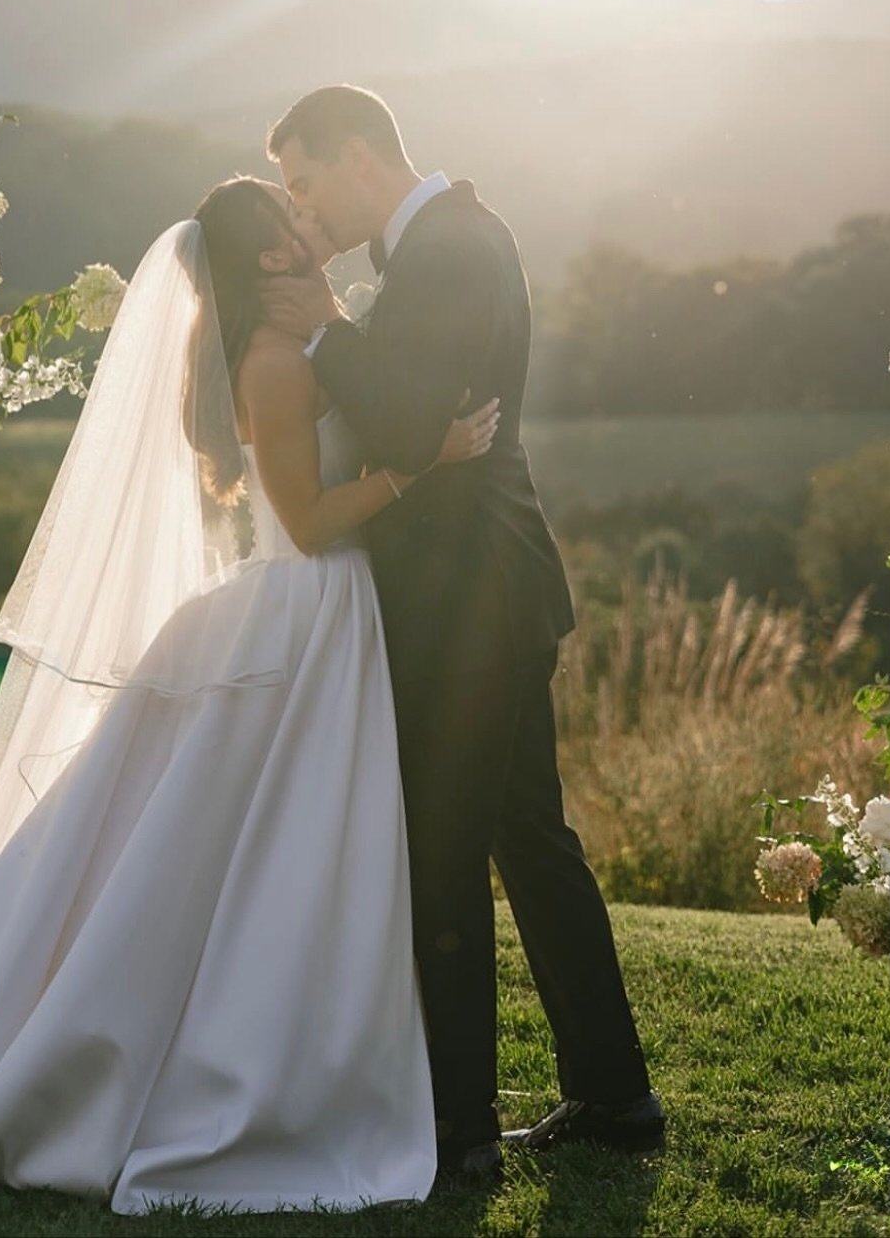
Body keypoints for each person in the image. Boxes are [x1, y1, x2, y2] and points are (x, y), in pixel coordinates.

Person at [0, 179, 495, 1214]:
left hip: (320, 622)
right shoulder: (276, 362)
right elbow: (311, 515)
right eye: (294, 227)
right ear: (272, 259)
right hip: (304, 614)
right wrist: (423, 470)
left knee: (259, 852)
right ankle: (234, 1071)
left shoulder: (298, 341)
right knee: (272, 851)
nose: (312, 229)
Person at [262, 84, 663, 1177]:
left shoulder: (444, 247)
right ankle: (615, 1098)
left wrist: (329, 334)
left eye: (304, 182)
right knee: (531, 842)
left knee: (446, 862)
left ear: (357, 158)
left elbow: (406, 421)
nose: (303, 209)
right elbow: (423, 417)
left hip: (469, 607)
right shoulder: (456, 235)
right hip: (496, 592)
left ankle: (459, 1133)